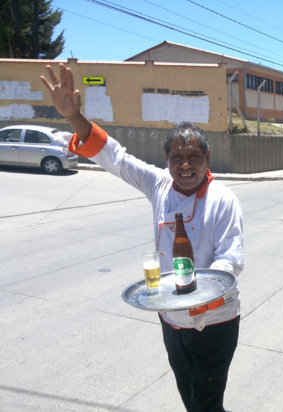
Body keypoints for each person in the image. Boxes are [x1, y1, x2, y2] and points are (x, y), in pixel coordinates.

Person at [41, 63, 244, 412]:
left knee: (206, 403)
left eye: (193, 156)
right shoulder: (158, 184)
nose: (185, 165)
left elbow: (231, 260)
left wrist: (195, 295)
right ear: (166, 160)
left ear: (206, 158)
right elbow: (115, 158)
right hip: (170, 319)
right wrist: (75, 116)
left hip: (216, 321)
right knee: (189, 398)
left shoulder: (223, 199)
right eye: (177, 157)